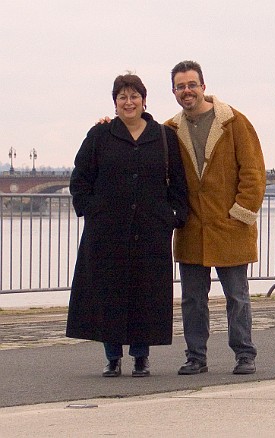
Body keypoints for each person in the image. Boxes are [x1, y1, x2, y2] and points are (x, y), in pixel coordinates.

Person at [66, 73, 188, 377]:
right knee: (109, 293)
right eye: (122, 97)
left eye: (134, 96)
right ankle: (112, 357)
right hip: (107, 232)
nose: (129, 102)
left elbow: (179, 184)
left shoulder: (163, 137)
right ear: (115, 103)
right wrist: (91, 211)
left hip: (150, 231)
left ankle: (141, 357)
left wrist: (174, 218)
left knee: (145, 294)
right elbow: (80, 180)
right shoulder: (99, 136)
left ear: (144, 100)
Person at [166, 60, 266, 375]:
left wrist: (241, 213)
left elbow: (253, 172)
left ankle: (244, 354)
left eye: (191, 84)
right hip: (192, 227)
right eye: (180, 86)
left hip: (229, 226)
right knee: (193, 300)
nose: (187, 91)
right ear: (174, 91)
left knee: (237, 296)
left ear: (203, 86)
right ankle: (196, 356)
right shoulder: (169, 130)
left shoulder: (234, 122)